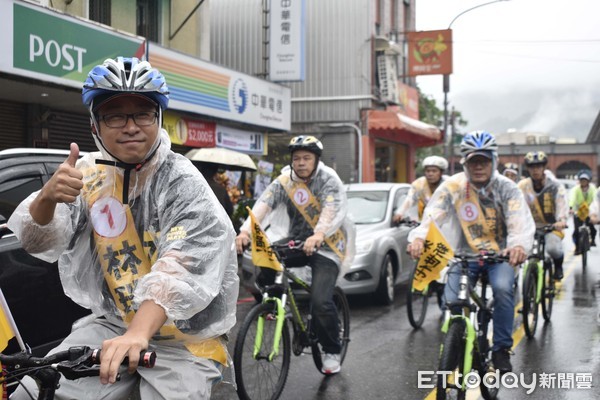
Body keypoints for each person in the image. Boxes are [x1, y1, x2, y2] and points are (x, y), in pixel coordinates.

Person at [7, 57, 239, 399]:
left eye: (143, 113)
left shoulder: (183, 181)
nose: (130, 126)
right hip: (114, 325)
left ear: (158, 120)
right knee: (34, 391)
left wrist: (139, 334)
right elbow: (40, 239)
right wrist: (47, 198)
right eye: (115, 114)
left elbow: (181, 267)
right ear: (94, 126)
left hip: (185, 339)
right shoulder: (87, 174)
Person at [407, 130, 534, 374]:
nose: (478, 167)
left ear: (493, 161)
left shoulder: (507, 188)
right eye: (473, 162)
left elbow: (518, 219)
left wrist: (518, 245)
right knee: (451, 299)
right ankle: (459, 342)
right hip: (464, 257)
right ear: (465, 163)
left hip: (501, 257)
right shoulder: (453, 186)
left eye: (484, 161)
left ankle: (501, 349)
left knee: (502, 290)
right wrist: (419, 238)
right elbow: (432, 216)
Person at [235, 135, 355, 375]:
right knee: (265, 259)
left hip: (328, 245)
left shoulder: (328, 180)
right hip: (296, 241)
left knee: (321, 301)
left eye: (306, 158)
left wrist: (319, 234)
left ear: (316, 160)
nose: (300, 163)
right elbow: (263, 205)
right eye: (297, 158)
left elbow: (331, 209)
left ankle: (332, 348)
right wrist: (245, 231)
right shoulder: (284, 181)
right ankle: (277, 305)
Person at [518, 151, 568, 280]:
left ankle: (558, 266)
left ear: (544, 168)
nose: (535, 170)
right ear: (528, 169)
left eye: (539, 167)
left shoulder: (555, 186)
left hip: (551, 226)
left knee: (552, 248)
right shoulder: (522, 186)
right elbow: (514, 205)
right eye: (532, 167)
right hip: (530, 227)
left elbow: (561, 202)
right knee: (519, 251)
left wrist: (561, 220)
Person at [392, 155, 448, 224]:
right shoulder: (419, 184)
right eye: (428, 171)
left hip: (447, 221)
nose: (430, 174)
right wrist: (399, 213)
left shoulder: (449, 184)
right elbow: (409, 199)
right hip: (428, 221)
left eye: (434, 171)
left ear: (441, 173)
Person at [570, 169, 597, 252]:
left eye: (585, 180)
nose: (583, 182)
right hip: (578, 212)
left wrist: (595, 212)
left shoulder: (592, 189)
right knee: (576, 232)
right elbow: (572, 199)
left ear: (588, 181)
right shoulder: (576, 189)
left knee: (592, 228)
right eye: (582, 180)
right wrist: (571, 208)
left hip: (589, 211)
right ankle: (577, 247)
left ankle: (592, 240)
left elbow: (595, 199)